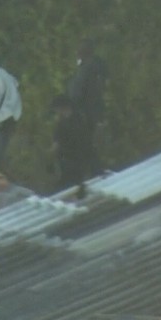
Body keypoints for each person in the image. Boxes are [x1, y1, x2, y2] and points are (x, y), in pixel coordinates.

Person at [66, 38, 107, 175]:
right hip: (96, 112)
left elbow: (76, 93)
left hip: (85, 114)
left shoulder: (85, 70)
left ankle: (95, 172)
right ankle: (96, 171)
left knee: (85, 145)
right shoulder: (98, 68)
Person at [50, 94, 92, 199]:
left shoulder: (63, 123)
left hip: (70, 160)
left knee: (68, 187)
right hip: (79, 159)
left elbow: (57, 143)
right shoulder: (79, 118)